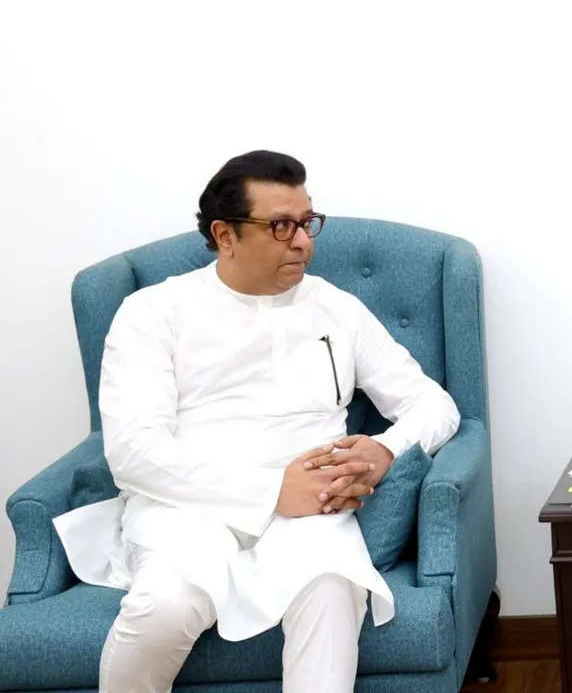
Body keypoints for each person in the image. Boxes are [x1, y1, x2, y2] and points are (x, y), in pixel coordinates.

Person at [51, 150, 461, 692]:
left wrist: (385, 451)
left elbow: (435, 406)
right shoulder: (153, 313)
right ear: (225, 236)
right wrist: (271, 491)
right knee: (164, 607)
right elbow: (133, 452)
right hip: (188, 509)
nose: (303, 241)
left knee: (333, 591)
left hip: (311, 514)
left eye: (308, 222)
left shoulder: (335, 308)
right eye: (281, 226)